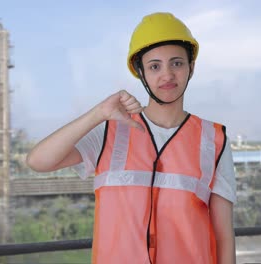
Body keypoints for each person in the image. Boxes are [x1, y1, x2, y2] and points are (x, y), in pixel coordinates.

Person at [26, 12, 236, 264]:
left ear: (191, 67)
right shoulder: (109, 132)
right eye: (154, 66)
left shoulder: (213, 140)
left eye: (177, 63)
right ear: (141, 73)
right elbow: (39, 161)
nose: (167, 75)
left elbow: (224, 236)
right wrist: (98, 113)